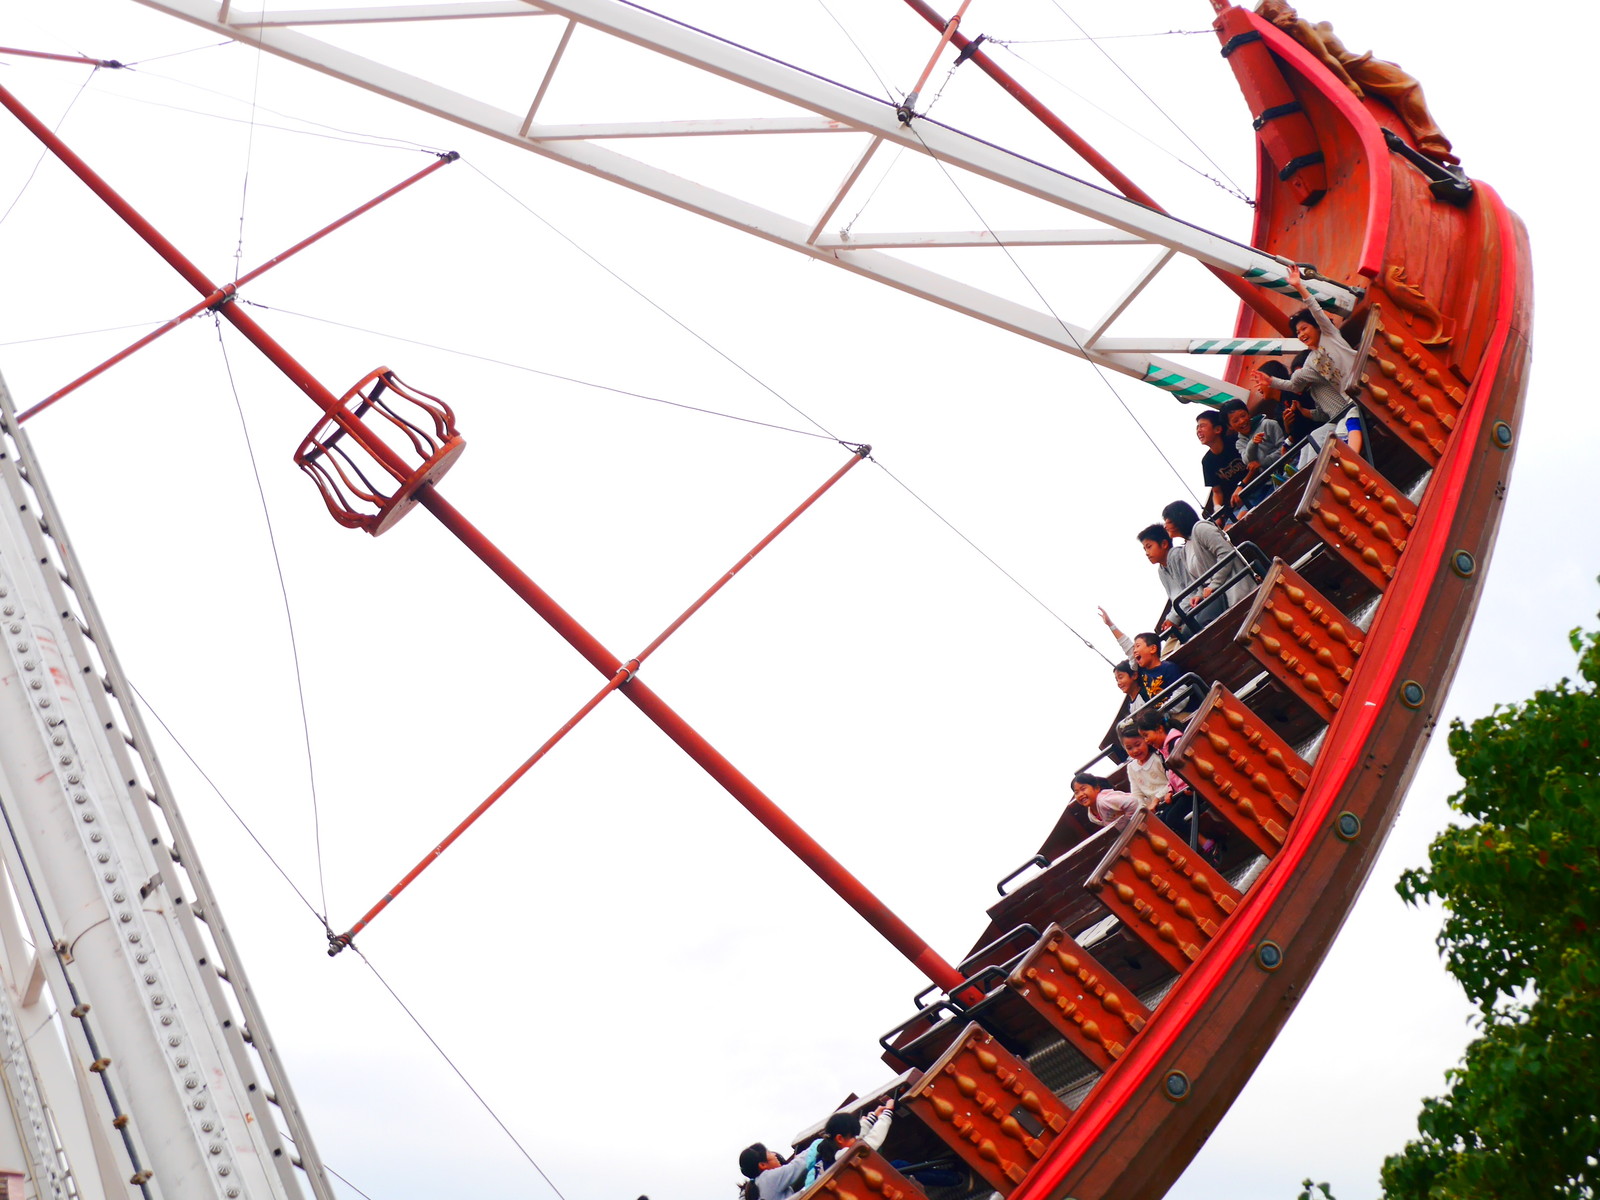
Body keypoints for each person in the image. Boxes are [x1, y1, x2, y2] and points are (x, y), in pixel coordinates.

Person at [1284, 263, 1359, 422]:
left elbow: (1315, 309)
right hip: (1353, 400)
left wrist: (1299, 286)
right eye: (1298, 332)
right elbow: (1297, 382)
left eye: (1304, 328)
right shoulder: (1310, 361)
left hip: (1365, 379)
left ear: (1317, 327)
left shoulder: (1329, 335)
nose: (1301, 334)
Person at [1162, 500, 1252, 617]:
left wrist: (1213, 585)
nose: (1165, 526)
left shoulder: (1200, 528)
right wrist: (1198, 595)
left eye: (1167, 520)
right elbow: (1199, 581)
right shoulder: (1184, 551)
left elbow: (1226, 553)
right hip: (1215, 597)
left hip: (1231, 588)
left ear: (1179, 518)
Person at [1221, 397, 1285, 511]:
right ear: (1230, 426)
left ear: (1248, 414)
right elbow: (1247, 461)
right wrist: (1253, 443)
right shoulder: (1240, 443)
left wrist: (1262, 463)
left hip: (1282, 471)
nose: (1242, 421)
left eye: (1243, 415)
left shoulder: (1268, 424)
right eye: (1235, 421)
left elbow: (1284, 448)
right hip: (1264, 482)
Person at [806, 1102, 894, 1184]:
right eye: (853, 1137)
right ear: (840, 1138)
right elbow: (873, 1140)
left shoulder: (828, 1153)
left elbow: (858, 1134)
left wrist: (874, 1116)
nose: (856, 1140)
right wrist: (887, 1112)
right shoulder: (843, 1156)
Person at [1195, 410, 1249, 520]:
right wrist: (1217, 509)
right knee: (1227, 530)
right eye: (1197, 428)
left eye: (1202, 426)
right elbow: (1217, 491)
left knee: (1241, 520)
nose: (1198, 430)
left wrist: (1241, 486)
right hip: (1235, 504)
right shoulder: (1207, 461)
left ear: (1218, 429)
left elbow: (1255, 466)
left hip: (1253, 490)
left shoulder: (1236, 442)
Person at [739, 1143, 818, 1200]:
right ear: (762, 1165)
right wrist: (818, 1144)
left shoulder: (751, 1188)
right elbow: (797, 1166)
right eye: (769, 1152)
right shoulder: (768, 1179)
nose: (774, 1155)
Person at [1120, 727, 1170, 810]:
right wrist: (1143, 808)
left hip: (1170, 797)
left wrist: (1157, 799)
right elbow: (1137, 794)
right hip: (1154, 807)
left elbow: (1172, 782)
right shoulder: (1131, 767)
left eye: (1138, 744)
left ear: (1145, 740)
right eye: (1129, 748)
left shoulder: (1158, 757)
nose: (1135, 750)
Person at [1070, 773, 1143, 829]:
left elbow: (1133, 802)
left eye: (1083, 789)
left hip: (1144, 817)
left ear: (1096, 788)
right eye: (1076, 792)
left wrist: (1130, 823)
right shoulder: (1091, 816)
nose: (1080, 794)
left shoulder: (1104, 800)